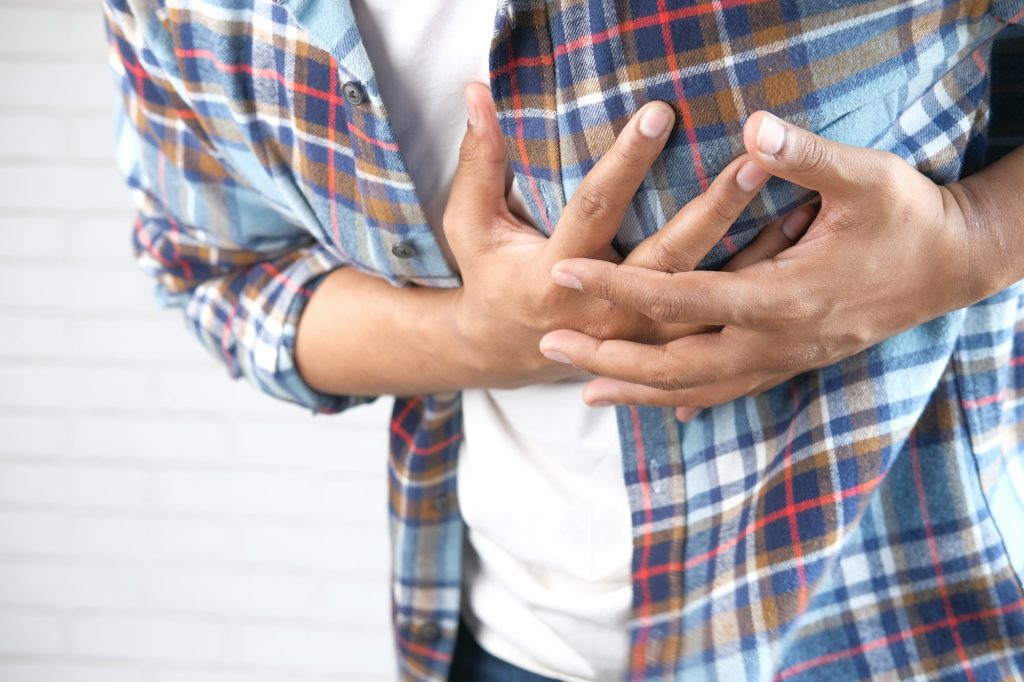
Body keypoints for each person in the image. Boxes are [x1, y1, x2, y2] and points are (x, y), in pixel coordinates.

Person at [102, 0, 1024, 680]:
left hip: (896, 617)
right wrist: (478, 336)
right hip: (498, 634)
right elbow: (218, 270)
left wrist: (970, 242)